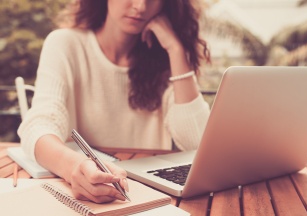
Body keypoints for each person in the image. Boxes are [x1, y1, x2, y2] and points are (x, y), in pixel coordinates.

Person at [18, 0, 211, 203]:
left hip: (146, 194)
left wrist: (175, 49)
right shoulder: (65, 44)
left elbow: (198, 143)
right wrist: (74, 166)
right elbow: (38, 127)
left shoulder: (166, 57)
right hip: (82, 191)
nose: (141, 6)